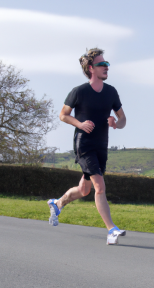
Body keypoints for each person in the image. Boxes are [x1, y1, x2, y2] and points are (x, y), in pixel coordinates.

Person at [47, 48, 127, 245]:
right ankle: (111, 230)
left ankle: (57, 204)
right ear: (91, 69)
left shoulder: (111, 92)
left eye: (107, 64)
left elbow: (123, 118)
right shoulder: (79, 92)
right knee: (99, 187)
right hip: (84, 145)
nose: (106, 67)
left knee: (85, 190)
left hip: (102, 145)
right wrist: (80, 124)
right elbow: (63, 115)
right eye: (102, 64)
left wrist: (115, 123)